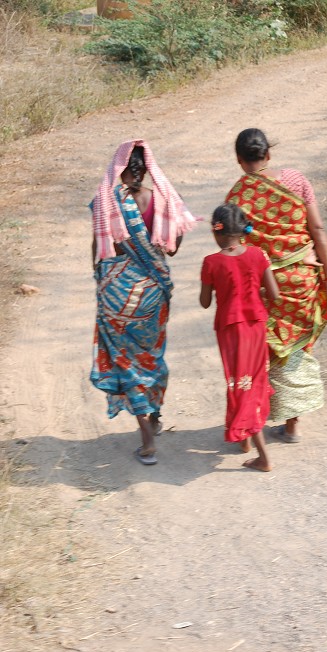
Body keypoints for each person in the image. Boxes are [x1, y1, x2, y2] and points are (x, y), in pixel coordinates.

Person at [225, 128, 327, 442]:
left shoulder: (237, 197)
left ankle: (252, 422)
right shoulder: (296, 180)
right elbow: (318, 229)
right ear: (268, 154)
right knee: (296, 347)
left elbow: (236, 248)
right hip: (302, 280)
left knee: (262, 351)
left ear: (239, 159)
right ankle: (292, 425)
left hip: (264, 286)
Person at [90, 139, 197, 465]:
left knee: (126, 362)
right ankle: (155, 415)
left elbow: (100, 248)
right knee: (152, 357)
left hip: (118, 295)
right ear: (147, 168)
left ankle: (147, 439)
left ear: (120, 168)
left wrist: (100, 281)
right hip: (154, 293)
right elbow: (173, 248)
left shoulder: (107, 202)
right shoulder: (163, 199)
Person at [200, 203, 279, 472]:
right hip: (256, 328)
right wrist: (255, 293)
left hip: (231, 331)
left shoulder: (211, 262)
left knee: (239, 384)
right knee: (253, 381)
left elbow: (204, 302)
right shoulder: (258, 254)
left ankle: (263, 456)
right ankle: (243, 438)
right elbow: (275, 294)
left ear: (216, 231)